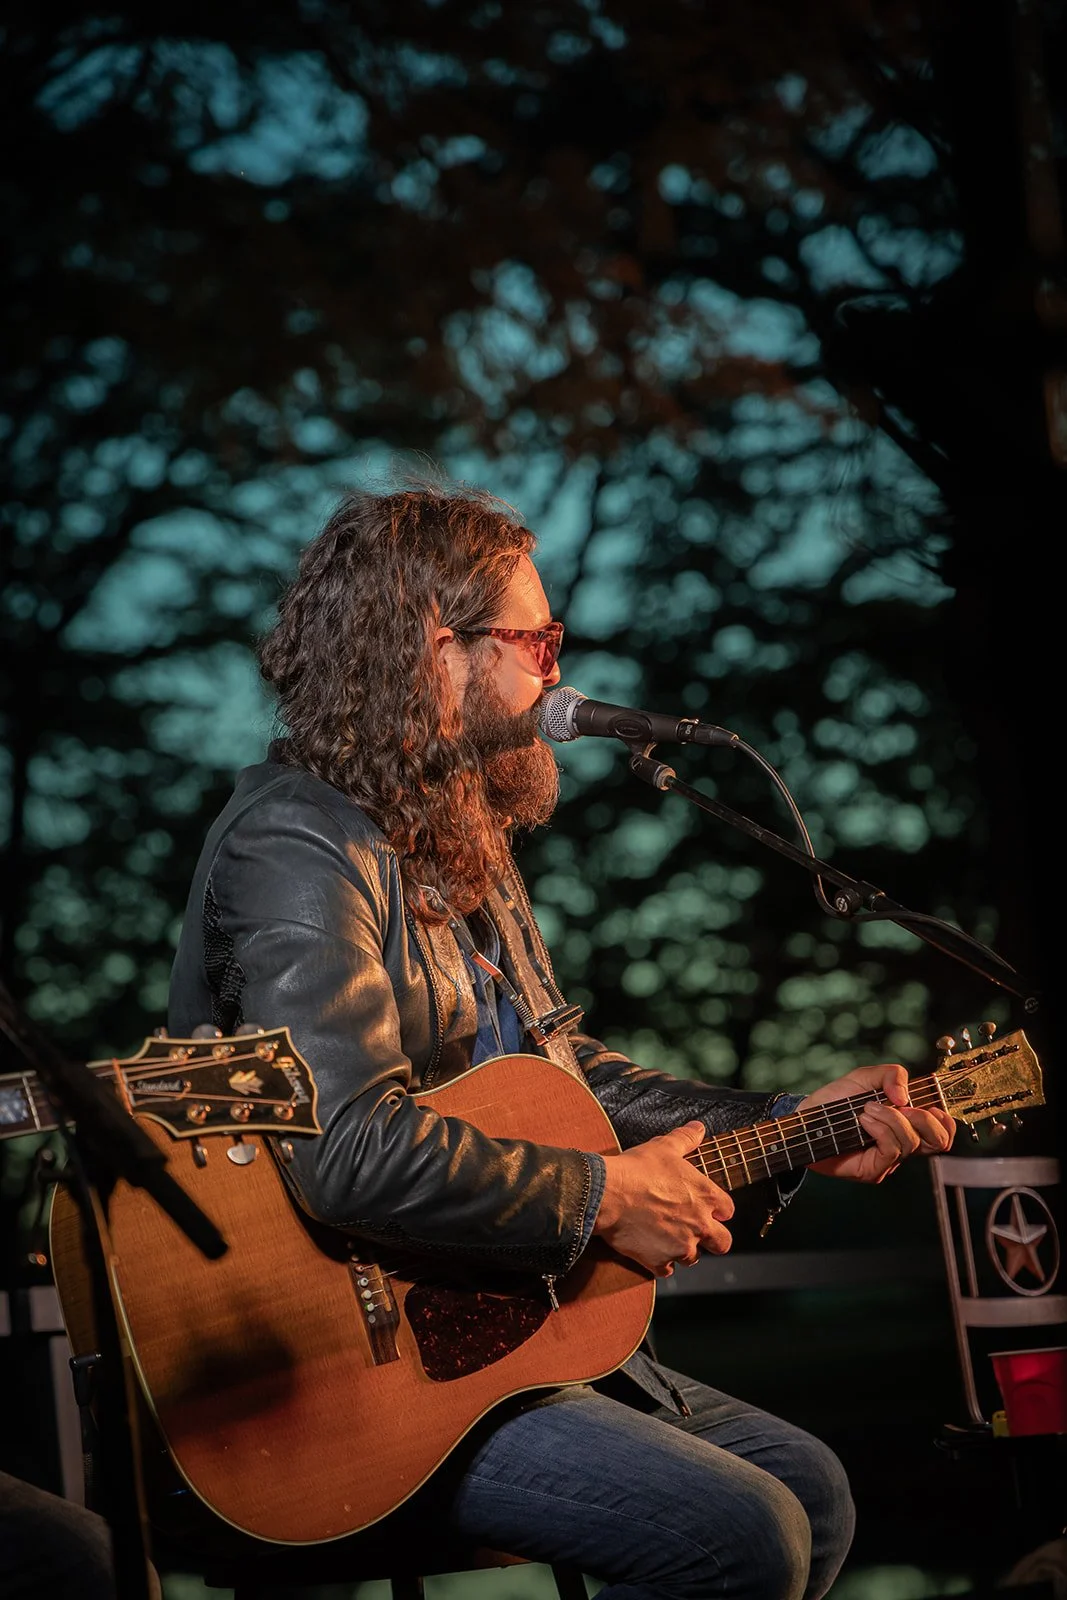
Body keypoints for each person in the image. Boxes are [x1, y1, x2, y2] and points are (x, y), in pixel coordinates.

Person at [169, 483, 956, 1600]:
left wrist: (787, 1124)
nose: (556, 668)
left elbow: (565, 1077)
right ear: (436, 649)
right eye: (535, 639)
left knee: (811, 1490)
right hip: (342, 1369)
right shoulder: (297, 841)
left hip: (487, 1324)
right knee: (746, 1532)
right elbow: (340, 1146)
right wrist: (597, 1198)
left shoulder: (457, 837)